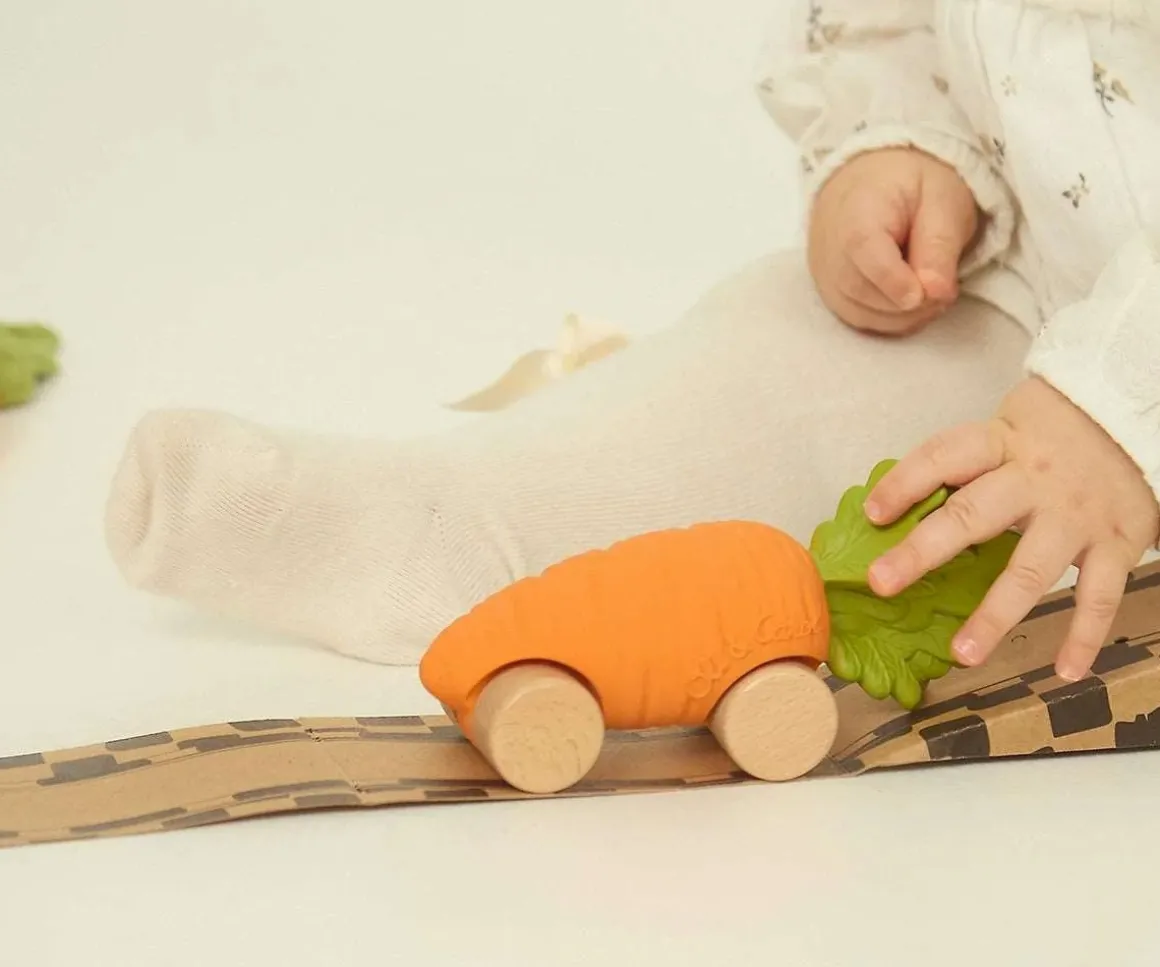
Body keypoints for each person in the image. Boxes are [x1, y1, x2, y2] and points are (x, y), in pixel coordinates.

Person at [103, 0, 1160, 685]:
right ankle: (461, 524)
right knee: (771, 363)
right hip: (1021, 292)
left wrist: (1120, 397)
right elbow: (891, 20)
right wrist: (900, 144)